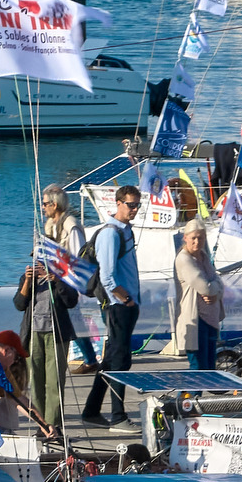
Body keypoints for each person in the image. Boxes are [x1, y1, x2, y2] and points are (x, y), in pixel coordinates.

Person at [80, 184, 142, 434]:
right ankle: (118, 417)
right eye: (130, 205)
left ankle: (91, 411)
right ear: (118, 203)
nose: (134, 210)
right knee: (120, 361)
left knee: (111, 360)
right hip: (117, 306)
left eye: (137, 205)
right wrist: (125, 299)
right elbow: (107, 276)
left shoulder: (126, 230)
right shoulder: (110, 233)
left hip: (127, 305)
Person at [12, 248, 80, 444]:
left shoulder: (61, 277)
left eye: (42, 260)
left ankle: (54, 423)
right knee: (36, 380)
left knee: (55, 380)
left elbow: (71, 301)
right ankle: (41, 424)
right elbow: (19, 304)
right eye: (36, 260)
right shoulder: (27, 279)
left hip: (56, 334)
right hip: (33, 334)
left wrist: (56, 280)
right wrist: (27, 281)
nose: (38, 264)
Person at [40, 185, 97, 376]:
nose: (43, 207)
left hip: (70, 282)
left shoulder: (70, 226)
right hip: (56, 280)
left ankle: (90, 359)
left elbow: (78, 256)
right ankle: (89, 359)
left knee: (74, 321)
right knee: (72, 321)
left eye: (46, 203)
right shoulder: (50, 224)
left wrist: (77, 286)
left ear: (55, 205)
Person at [174, 217, 224, 370]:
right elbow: (205, 288)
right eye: (193, 238)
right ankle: (188, 395)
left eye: (200, 238)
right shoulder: (184, 259)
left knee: (208, 367)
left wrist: (216, 291)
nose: (197, 242)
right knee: (198, 367)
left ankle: (189, 394)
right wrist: (216, 288)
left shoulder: (203, 257)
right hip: (195, 321)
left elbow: (218, 283)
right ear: (185, 238)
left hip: (210, 319)